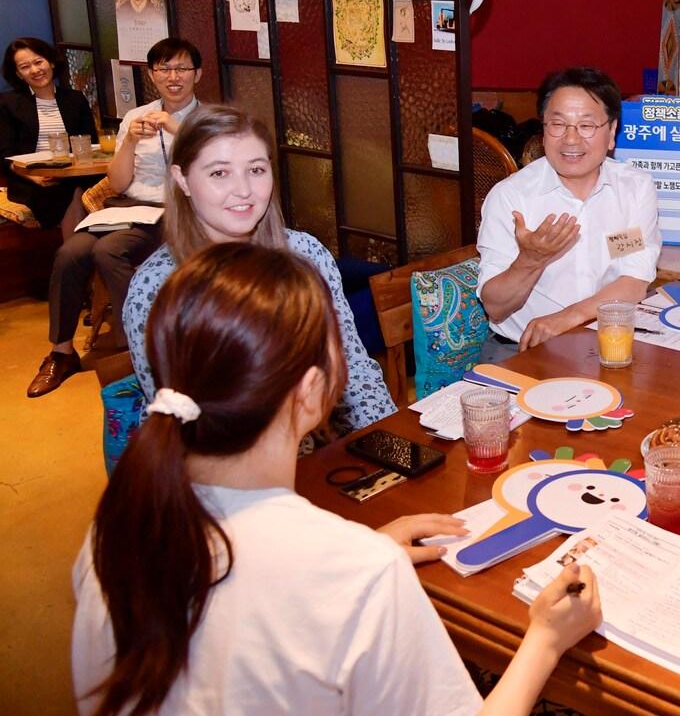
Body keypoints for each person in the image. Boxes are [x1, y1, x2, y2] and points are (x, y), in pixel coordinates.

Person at [73, 242, 602, 716]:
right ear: (312, 391)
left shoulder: (114, 526)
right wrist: (547, 641)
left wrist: (363, 549)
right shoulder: (357, 573)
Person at [124, 105, 395, 434]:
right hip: (210, 462)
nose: (243, 190)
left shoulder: (305, 253)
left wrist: (388, 442)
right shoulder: (158, 285)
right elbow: (180, 418)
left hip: (307, 442)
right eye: (219, 173)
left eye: (255, 170)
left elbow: (352, 366)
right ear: (182, 179)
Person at [26, 38, 203, 398]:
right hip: (129, 206)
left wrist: (174, 128)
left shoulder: (207, 119)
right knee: (70, 252)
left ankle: (132, 352)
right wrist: (130, 143)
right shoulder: (136, 117)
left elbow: (213, 168)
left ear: (197, 74)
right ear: (152, 74)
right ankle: (61, 352)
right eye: (164, 69)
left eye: (182, 68)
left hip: (178, 213)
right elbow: (119, 182)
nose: (173, 76)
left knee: (110, 251)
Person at [477, 67, 660, 354]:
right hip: (523, 350)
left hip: (604, 342)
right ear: (543, 130)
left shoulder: (634, 188)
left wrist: (568, 318)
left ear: (611, 133)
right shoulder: (511, 197)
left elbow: (633, 282)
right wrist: (531, 260)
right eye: (558, 125)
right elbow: (495, 307)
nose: (571, 140)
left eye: (586, 126)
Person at [0, 37, 98, 231]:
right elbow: (3, 154)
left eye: (38, 62)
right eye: (25, 67)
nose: (35, 70)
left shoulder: (75, 99)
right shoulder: (8, 103)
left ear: (51, 62)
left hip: (73, 174)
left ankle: (75, 250)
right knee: (63, 196)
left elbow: (90, 143)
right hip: (30, 180)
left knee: (85, 191)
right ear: (19, 74)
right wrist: (32, 176)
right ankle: (71, 252)